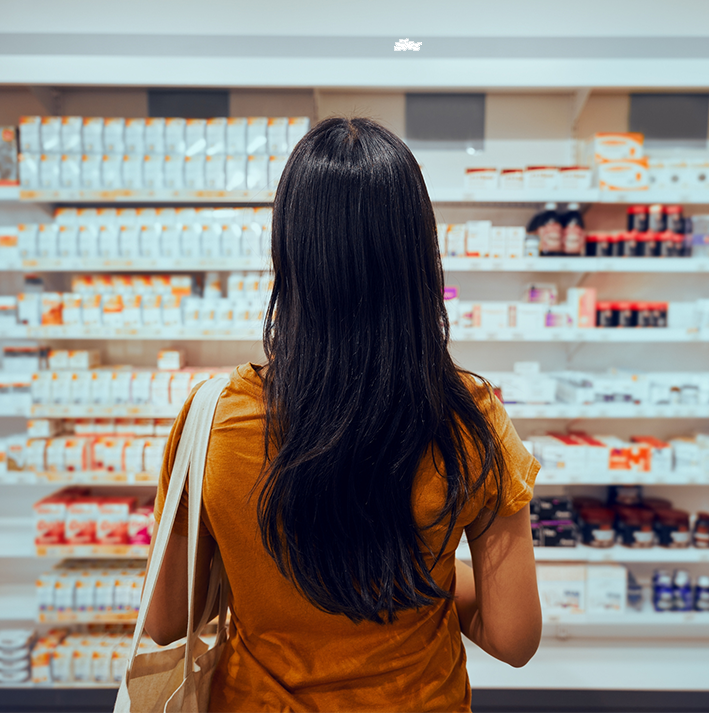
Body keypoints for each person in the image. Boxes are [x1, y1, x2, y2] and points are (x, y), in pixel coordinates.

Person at [145, 116, 542, 712]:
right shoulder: (470, 419)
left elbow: (167, 617)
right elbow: (513, 638)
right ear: (419, 255)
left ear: (288, 253)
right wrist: (422, 576)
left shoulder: (213, 419)